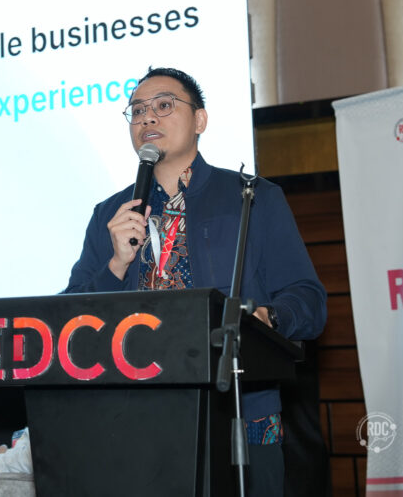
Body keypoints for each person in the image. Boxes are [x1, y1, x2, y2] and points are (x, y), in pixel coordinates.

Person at [63, 67, 327, 495]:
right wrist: (116, 264)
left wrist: (269, 319)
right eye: (137, 111)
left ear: (200, 120)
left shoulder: (251, 197)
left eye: (164, 105)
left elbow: (310, 301)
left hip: (239, 414)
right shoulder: (109, 214)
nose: (148, 118)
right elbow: (69, 321)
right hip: (135, 421)